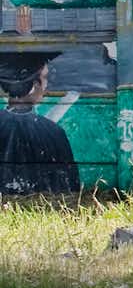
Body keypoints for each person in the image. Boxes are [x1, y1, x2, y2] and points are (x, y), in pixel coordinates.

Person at [0, 52, 79, 196]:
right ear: (35, 85)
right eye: (45, 78)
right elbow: (69, 187)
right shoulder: (54, 132)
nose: (46, 86)